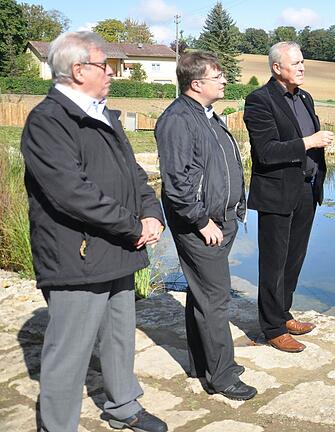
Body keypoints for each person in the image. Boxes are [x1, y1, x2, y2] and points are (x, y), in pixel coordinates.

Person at [20, 31, 167, 432]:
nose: (112, 74)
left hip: (118, 246)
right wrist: (132, 225)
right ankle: (58, 425)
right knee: (69, 350)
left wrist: (152, 214)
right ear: (78, 69)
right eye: (106, 66)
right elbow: (72, 193)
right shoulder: (48, 120)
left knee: (120, 334)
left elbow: (134, 174)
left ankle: (124, 407)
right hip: (77, 253)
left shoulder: (104, 114)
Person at [155, 51, 257, 401]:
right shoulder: (178, 120)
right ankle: (222, 377)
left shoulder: (209, 116)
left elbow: (222, 168)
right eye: (218, 76)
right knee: (215, 298)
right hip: (201, 224)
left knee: (202, 294)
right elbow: (177, 182)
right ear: (196, 83)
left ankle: (203, 363)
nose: (224, 80)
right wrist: (201, 221)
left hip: (222, 220)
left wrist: (236, 208)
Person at [244, 41, 333, 353]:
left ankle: (283, 313)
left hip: (307, 190)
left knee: (294, 258)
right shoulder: (259, 101)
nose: (301, 67)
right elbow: (265, 152)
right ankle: (271, 328)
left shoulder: (305, 97)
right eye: (294, 63)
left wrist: (317, 149)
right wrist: (309, 142)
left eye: (302, 61)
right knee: (273, 262)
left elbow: (305, 143)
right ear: (276, 68)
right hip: (277, 194)